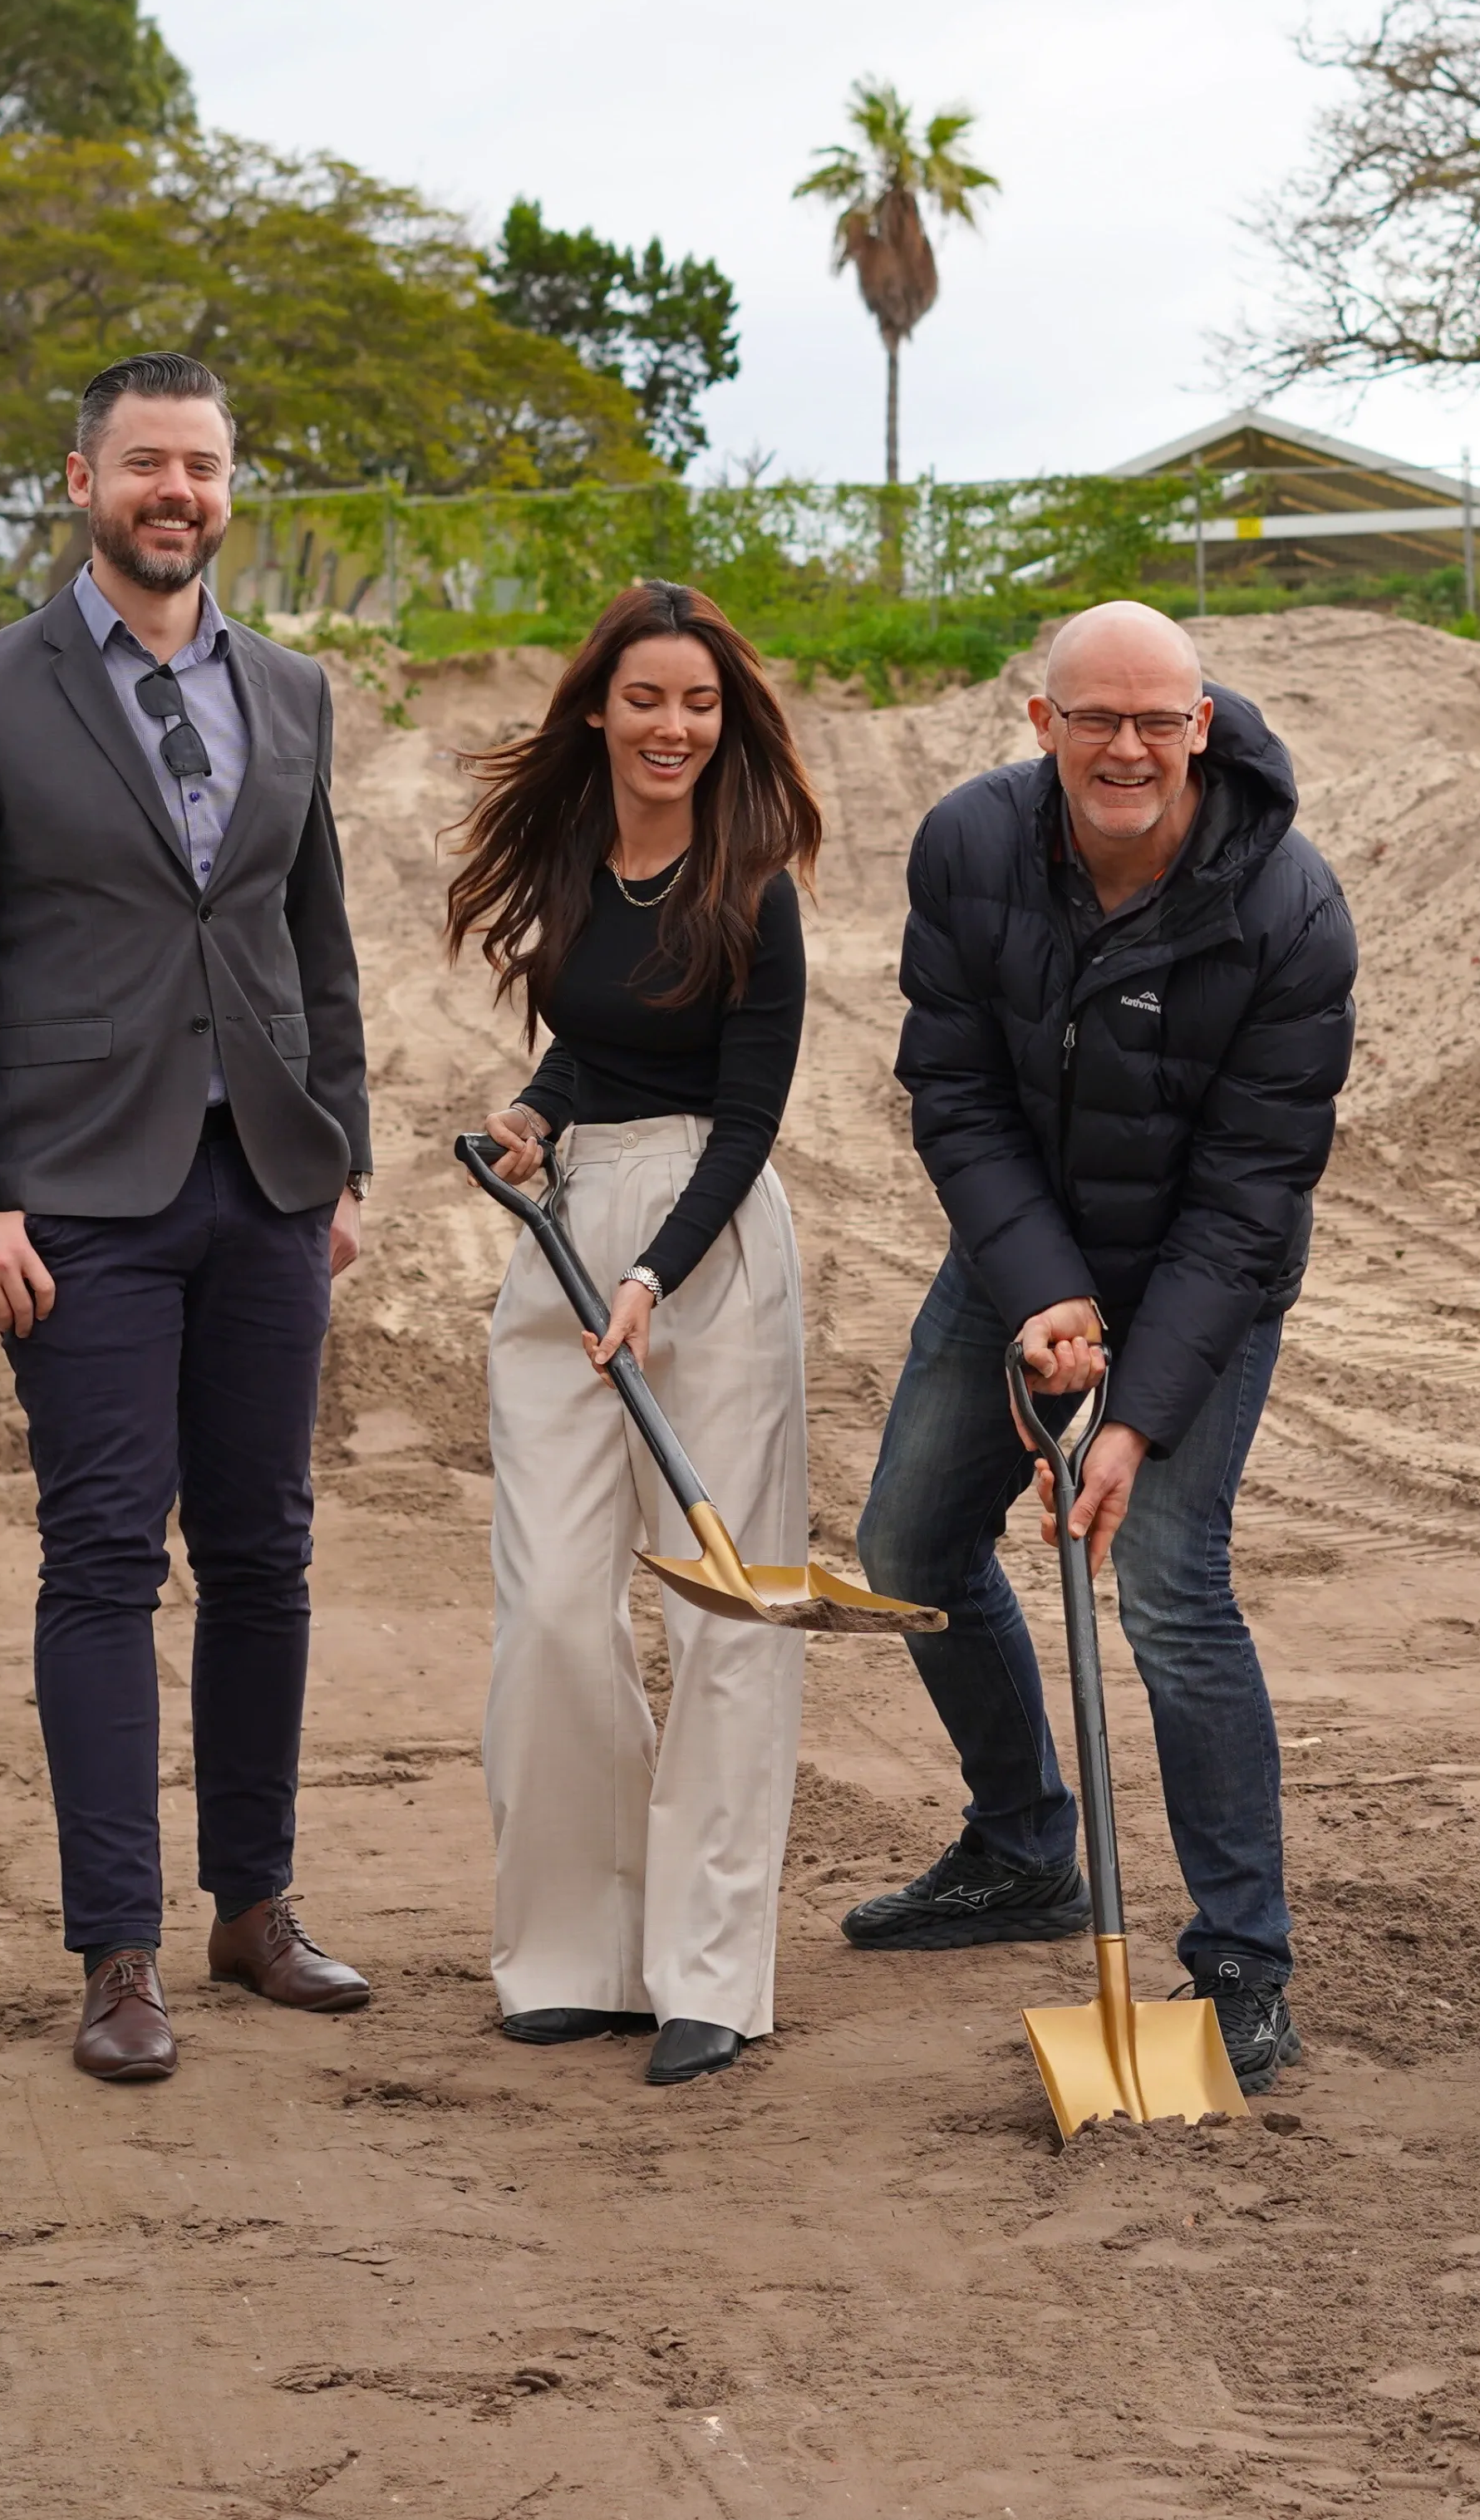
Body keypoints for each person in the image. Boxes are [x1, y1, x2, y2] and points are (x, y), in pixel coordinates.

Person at [0, 350, 377, 2086]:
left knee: (265, 1552)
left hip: (264, 1189)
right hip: (73, 1199)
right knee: (102, 1557)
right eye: (147, 463)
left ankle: (254, 1904)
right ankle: (118, 1949)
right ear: (80, 478)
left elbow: (314, 948)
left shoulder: (292, 691)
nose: (180, 491)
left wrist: (340, 1161)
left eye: (206, 466)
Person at [839, 601, 1357, 2089]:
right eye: (1093, 717)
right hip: (1023, 1249)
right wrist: (1040, 1291)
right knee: (905, 1547)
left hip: (1211, 1268)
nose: (1124, 746)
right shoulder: (969, 847)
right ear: (1040, 721)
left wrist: (1131, 1419)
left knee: (1173, 1587)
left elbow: (1253, 1193)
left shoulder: (1289, 909)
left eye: (1155, 719)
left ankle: (1244, 1957)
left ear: (1201, 724)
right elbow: (954, 1091)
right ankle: (1019, 1848)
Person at [450, 582, 824, 2089]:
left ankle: (709, 1972)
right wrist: (535, 1114)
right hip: (569, 1238)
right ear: (597, 708)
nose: (675, 727)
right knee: (549, 1607)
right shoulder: (572, 858)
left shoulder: (758, 884)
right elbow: (595, 1039)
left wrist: (658, 1271)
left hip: (711, 1248)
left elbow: (749, 1114)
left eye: (701, 704)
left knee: (726, 1614)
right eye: (648, 699)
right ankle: (575, 1953)